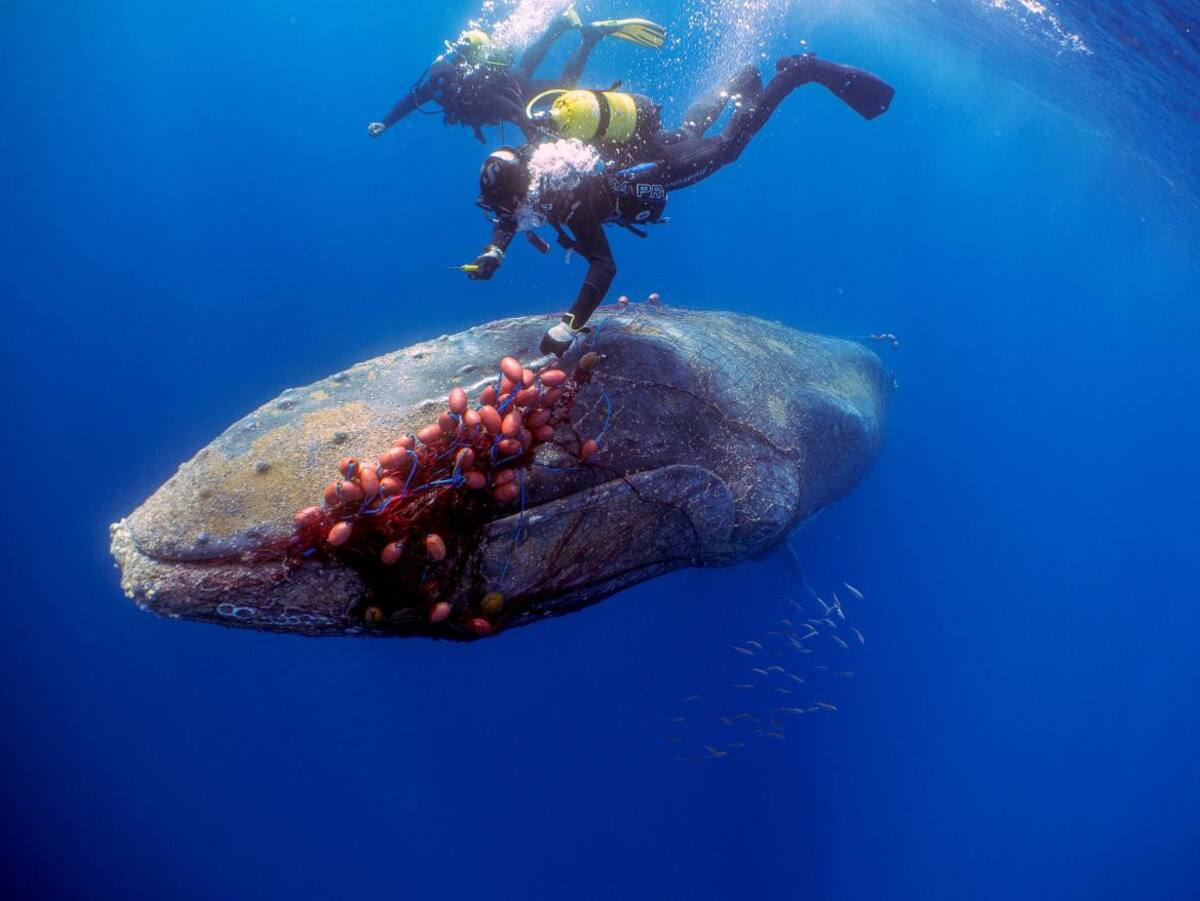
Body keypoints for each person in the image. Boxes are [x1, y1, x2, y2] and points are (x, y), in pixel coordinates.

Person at [464, 53, 896, 355]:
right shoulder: (532, 162)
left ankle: (799, 73)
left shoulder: (567, 197)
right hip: (638, 151)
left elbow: (604, 266)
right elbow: (510, 213)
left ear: (523, 190)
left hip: (658, 169)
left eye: (505, 207)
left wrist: (570, 325)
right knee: (687, 132)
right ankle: (743, 79)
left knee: (726, 148)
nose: (504, 216)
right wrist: (494, 250)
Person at [367, 9, 665, 143]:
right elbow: (412, 100)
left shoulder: (468, 88)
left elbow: (516, 111)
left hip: (519, 92)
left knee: (566, 87)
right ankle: (561, 24)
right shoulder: (440, 84)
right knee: (525, 64)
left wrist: (535, 143)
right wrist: (386, 122)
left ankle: (590, 37)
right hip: (513, 80)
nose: (437, 92)